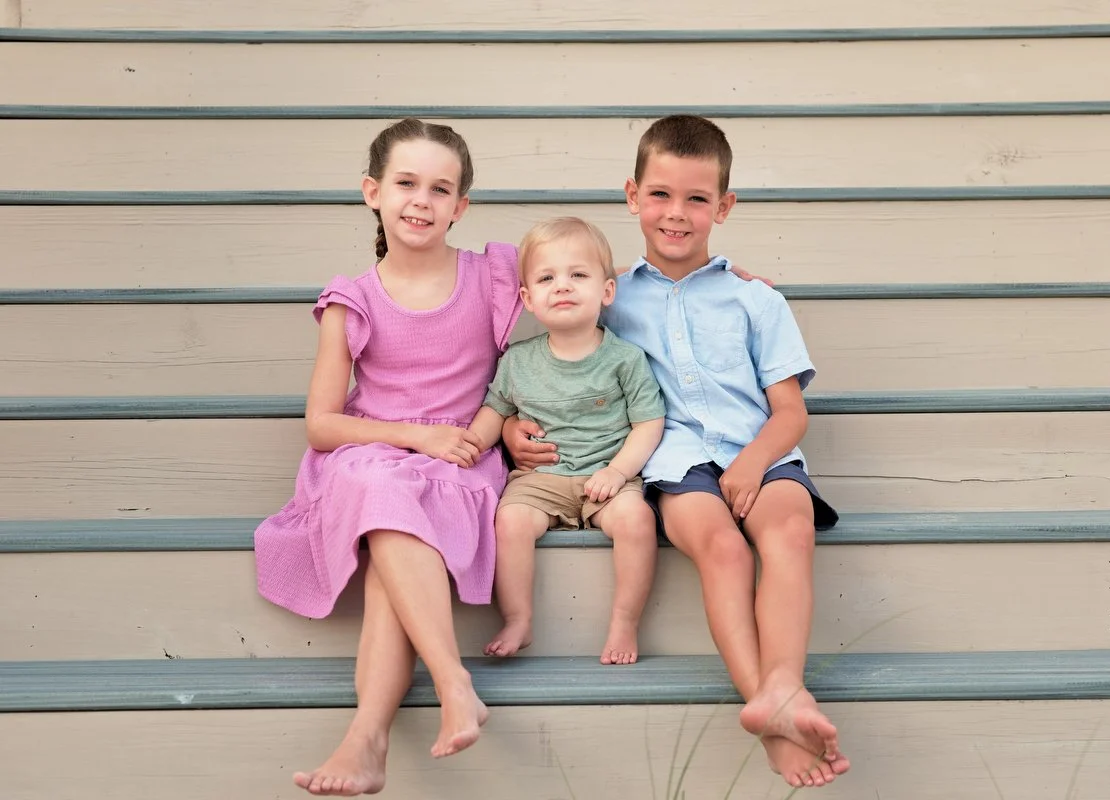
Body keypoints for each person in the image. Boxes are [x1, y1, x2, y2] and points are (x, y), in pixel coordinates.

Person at [504, 115, 852, 789]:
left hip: (762, 451)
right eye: (660, 195)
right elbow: (551, 341)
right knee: (721, 549)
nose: (677, 214)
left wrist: (753, 464)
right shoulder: (607, 292)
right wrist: (515, 423)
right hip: (674, 464)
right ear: (632, 196)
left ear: (723, 207)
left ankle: (781, 686)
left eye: (697, 199)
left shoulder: (754, 299)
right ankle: (774, 708)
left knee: (790, 530)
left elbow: (790, 412)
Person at [254, 118, 524, 796]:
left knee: (388, 554)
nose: (421, 201)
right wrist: (414, 435)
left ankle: (366, 737)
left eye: (441, 189)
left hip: (460, 462)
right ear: (372, 192)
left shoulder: (492, 275)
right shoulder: (354, 299)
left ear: (460, 206)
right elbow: (322, 425)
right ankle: (452, 681)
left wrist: (708, 274)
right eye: (405, 183)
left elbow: (588, 284)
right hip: (371, 454)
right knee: (379, 488)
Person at [467, 216, 665, 666]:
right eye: (547, 278)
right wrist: (473, 443)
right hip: (542, 480)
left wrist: (618, 472)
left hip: (607, 478)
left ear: (607, 291)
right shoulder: (518, 362)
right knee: (512, 520)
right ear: (528, 299)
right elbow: (495, 410)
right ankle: (518, 618)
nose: (563, 286)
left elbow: (648, 423)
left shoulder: (625, 359)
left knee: (637, 521)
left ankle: (624, 621)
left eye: (578, 275)